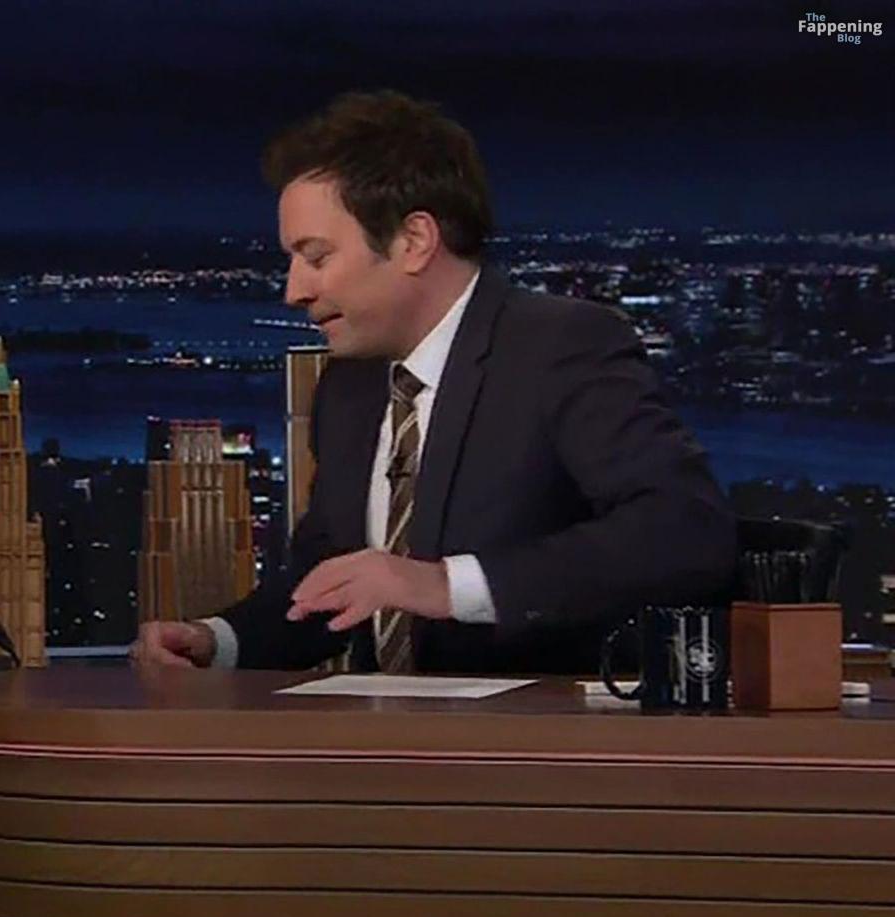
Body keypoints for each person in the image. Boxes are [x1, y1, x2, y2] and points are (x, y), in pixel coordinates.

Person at [131, 92, 736, 675]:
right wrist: (217, 641)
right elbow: (331, 582)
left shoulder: (561, 346)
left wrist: (444, 586)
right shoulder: (349, 386)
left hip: (541, 732)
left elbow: (686, 531)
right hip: (386, 734)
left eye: (316, 258)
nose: (294, 291)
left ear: (414, 242)